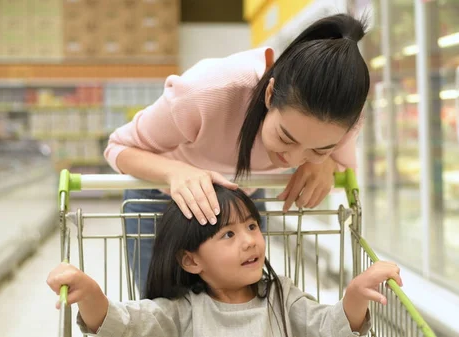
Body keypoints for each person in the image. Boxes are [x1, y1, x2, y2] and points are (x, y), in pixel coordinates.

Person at [106, 13, 370, 294]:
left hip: (242, 202)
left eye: (318, 147)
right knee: (162, 312)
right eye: (286, 138)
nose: (293, 160)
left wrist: (325, 163)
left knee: (242, 310)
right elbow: (119, 148)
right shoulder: (207, 92)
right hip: (162, 200)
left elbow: (339, 163)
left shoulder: (342, 115)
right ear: (269, 94)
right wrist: (177, 173)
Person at [47, 184, 403, 337]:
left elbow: (326, 326)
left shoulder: (281, 296)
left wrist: (355, 294)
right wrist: (89, 292)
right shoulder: (183, 310)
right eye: (229, 235)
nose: (249, 240)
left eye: (251, 225)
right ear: (191, 261)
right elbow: (125, 325)